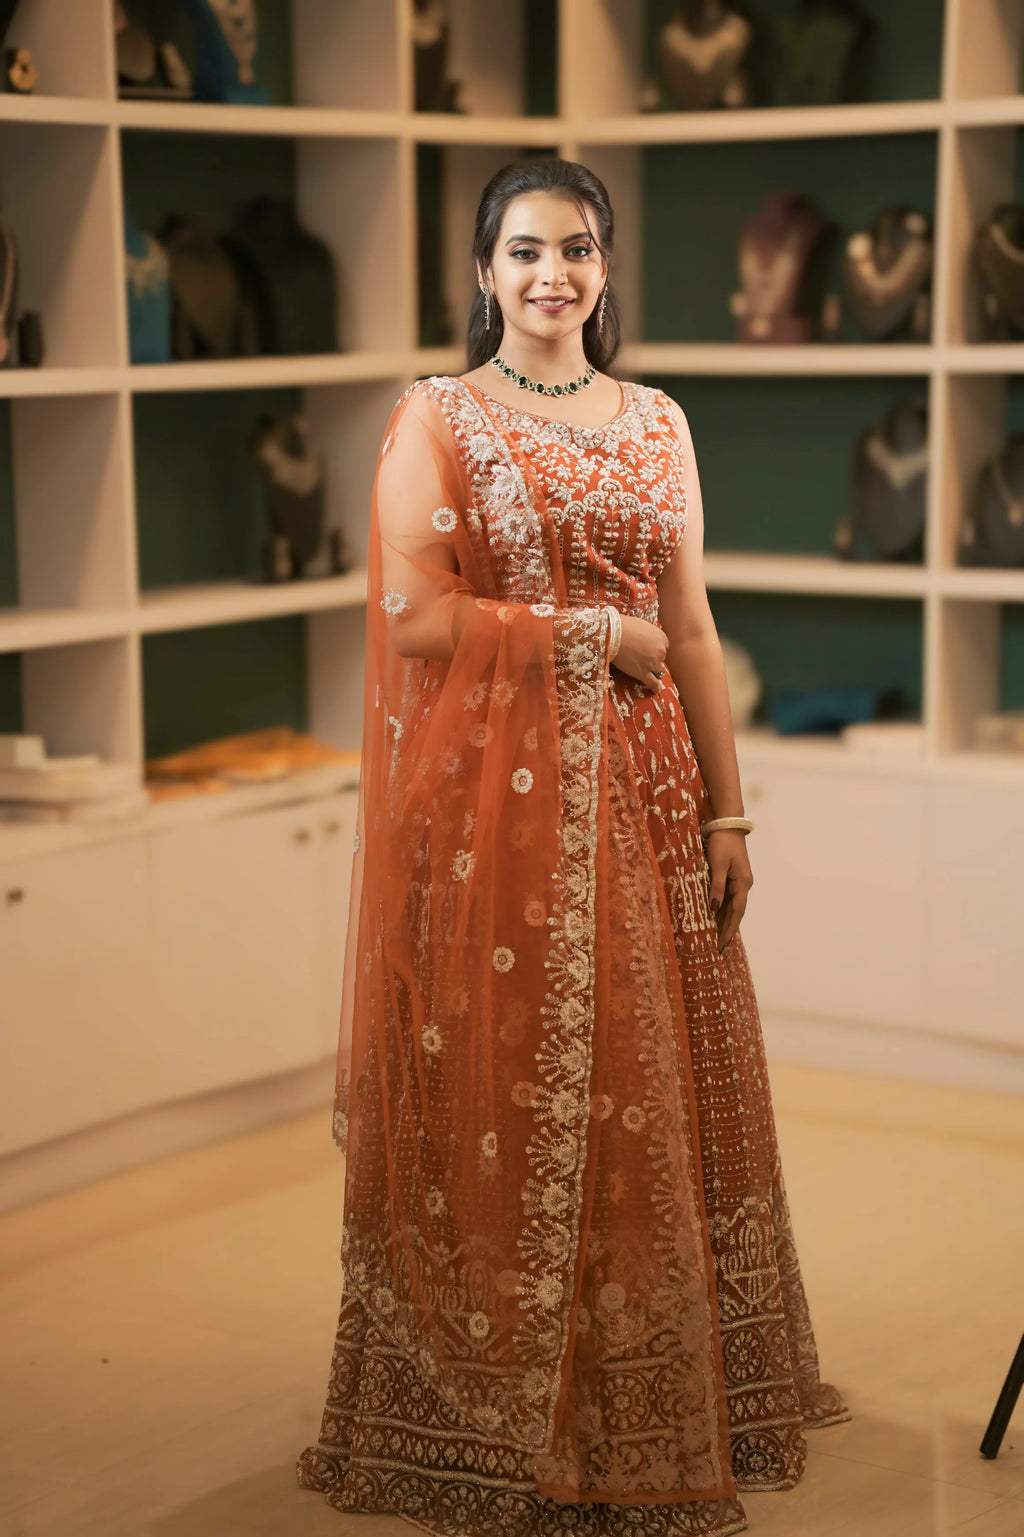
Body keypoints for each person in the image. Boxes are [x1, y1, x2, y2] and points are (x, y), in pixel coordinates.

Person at [297, 158, 850, 1537]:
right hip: (498, 821)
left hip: (656, 804)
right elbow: (416, 614)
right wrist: (593, 637)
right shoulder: (435, 420)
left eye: (580, 249)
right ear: (484, 269)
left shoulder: (660, 420)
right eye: (527, 249)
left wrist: (730, 810)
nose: (555, 273)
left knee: (655, 1093)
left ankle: (659, 1390)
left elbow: (700, 627)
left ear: (606, 270)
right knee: (510, 1095)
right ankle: (502, 1408)